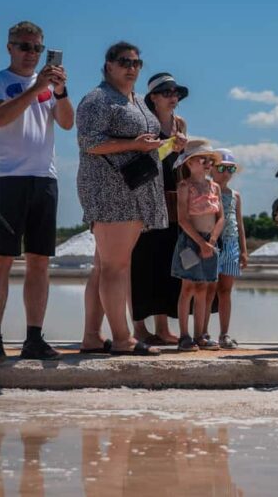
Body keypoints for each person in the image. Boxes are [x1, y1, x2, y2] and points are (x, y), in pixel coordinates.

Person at [0, 21, 74, 361]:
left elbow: (66, 123)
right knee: (1, 260)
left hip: (43, 179)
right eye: (24, 46)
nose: (31, 53)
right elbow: (0, 118)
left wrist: (60, 91)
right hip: (7, 179)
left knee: (39, 262)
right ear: (10, 48)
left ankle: (34, 337)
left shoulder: (48, 86)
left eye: (36, 48)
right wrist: (34, 89)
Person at [76, 41, 165, 356]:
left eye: (137, 63)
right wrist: (135, 146)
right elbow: (89, 142)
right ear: (109, 64)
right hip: (110, 188)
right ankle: (123, 338)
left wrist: (164, 144)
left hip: (135, 188)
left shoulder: (138, 101)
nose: (132, 67)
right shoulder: (98, 99)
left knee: (103, 267)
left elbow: (144, 142)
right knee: (116, 267)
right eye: (125, 61)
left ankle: (91, 337)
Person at [129, 72, 190, 346]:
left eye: (176, 93)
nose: (173, 97)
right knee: (142, 264)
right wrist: (169, 146)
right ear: (153, 97)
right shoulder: (145, 123)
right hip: (146, 195)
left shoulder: (180, 123)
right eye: (167, 92)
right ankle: (139, 327)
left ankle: (163, 326)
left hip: (172, 196)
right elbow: (143, 161)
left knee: (167, 262)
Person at [171, 140, 224, 352]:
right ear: (190, 163)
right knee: (188, 287)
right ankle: (184, 335)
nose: (207, 163)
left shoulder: (215, 187)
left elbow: (221, 218)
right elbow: (183, 219)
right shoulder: (185, 186)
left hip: (210, 241)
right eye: (203, 159)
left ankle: (201, 333)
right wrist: (201, 242)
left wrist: (211, 242)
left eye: (210, 160)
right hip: (190, 241)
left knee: (204, 287)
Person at [202, 149, 248, 349]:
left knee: (226, 290)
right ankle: (203, 332)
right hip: (212, 245)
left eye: (230, 169)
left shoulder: (235, 195)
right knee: (208, 290)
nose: (226, 173)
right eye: (222, 168)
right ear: (211, 168)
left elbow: (239, 223)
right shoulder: (205, 191)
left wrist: (244, 251)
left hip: (231, 245)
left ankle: (224, 334)